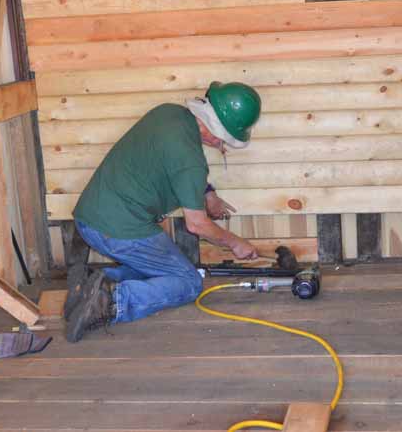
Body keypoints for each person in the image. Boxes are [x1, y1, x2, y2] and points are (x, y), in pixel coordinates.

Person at [64, 82, 262, 343]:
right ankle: (110, 301)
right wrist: (236, 243)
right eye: (224, 139)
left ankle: (93, 281)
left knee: (164, 269)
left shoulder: (169, 114)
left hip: (91, 217)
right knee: (187, 281)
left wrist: (208, 194)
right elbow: (197, 225)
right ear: (216, 134)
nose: (221, 145)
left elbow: (173, 163)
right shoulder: (190, 160)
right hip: (119, 230)